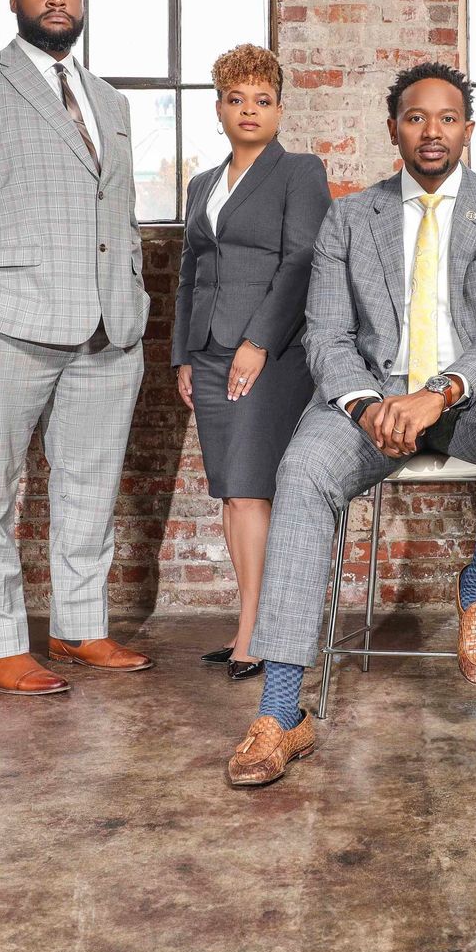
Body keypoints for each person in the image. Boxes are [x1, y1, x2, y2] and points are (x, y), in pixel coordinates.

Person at [224, 63, 476, 787]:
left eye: (447, 118)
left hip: (470, 400)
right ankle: (283, 711)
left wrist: (438, 394)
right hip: (370, 404)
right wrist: (363, 404)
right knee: (302, 470)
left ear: (468, 130)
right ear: (393, 131)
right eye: (416, 118)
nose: (431, 131)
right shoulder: (352, 217)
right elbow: (324, 333)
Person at [0, 0, 153, 696]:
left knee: (89, 487)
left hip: (108, 329)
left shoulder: (109, 100)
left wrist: (134, 293)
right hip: (7, 320)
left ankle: (79, 627)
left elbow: (116, 213)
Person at [173, 44, 332, 681]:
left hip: (271, 353)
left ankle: (255, 634)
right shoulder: (202, 184)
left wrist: (259, 342)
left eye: (262, 101)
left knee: (249, 490)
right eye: (236, 100)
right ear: (218, 108)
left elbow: (302, 262)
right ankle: (253, 621)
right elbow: (191, 272)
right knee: (233, 495)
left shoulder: (300, 171)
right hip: (209, 353)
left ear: (279, 109)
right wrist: (183, 354)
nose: (249, 111)